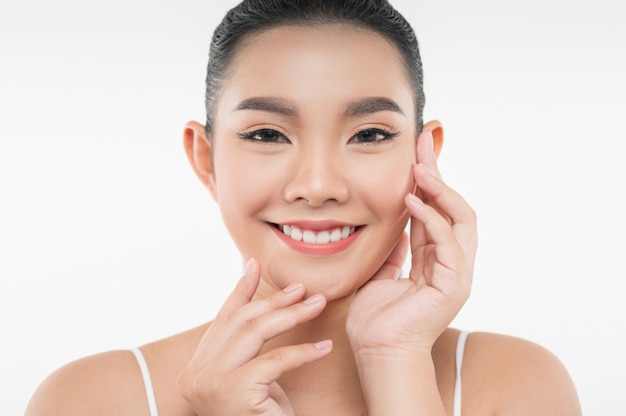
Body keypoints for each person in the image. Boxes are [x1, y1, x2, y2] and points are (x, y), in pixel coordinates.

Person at [25, 0, 582, 415]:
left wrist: (397, 363)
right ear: (206, 160)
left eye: (368, 134)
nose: (317, 186)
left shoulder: (516, 385)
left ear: (424, 154)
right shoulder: (93, 399)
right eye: (268, 134)